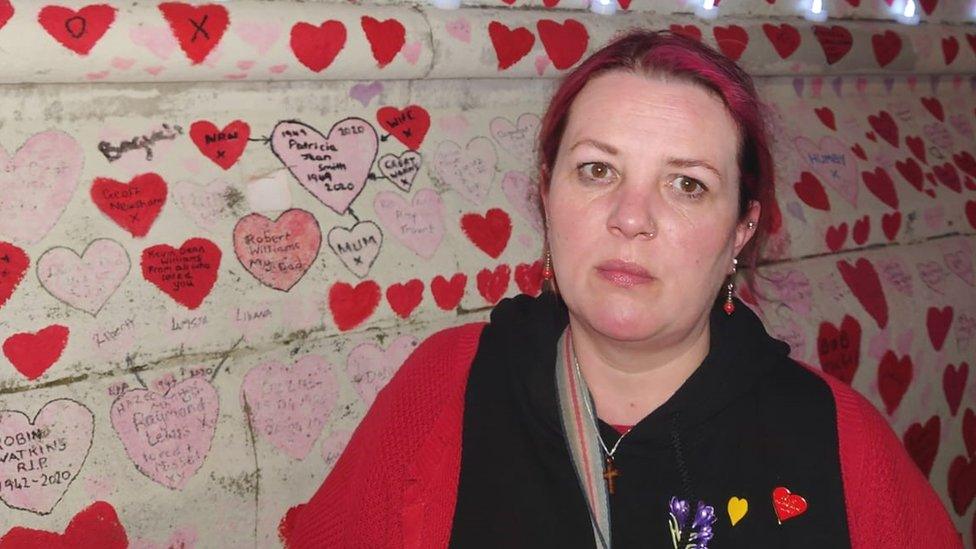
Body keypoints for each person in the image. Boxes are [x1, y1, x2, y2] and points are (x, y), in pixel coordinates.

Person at [280, 30, 961, 548]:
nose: (631, 216)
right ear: (546, 193)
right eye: (597, 170)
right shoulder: (445, 388)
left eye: (687, 183)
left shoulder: (837, 443)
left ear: (741, 231)